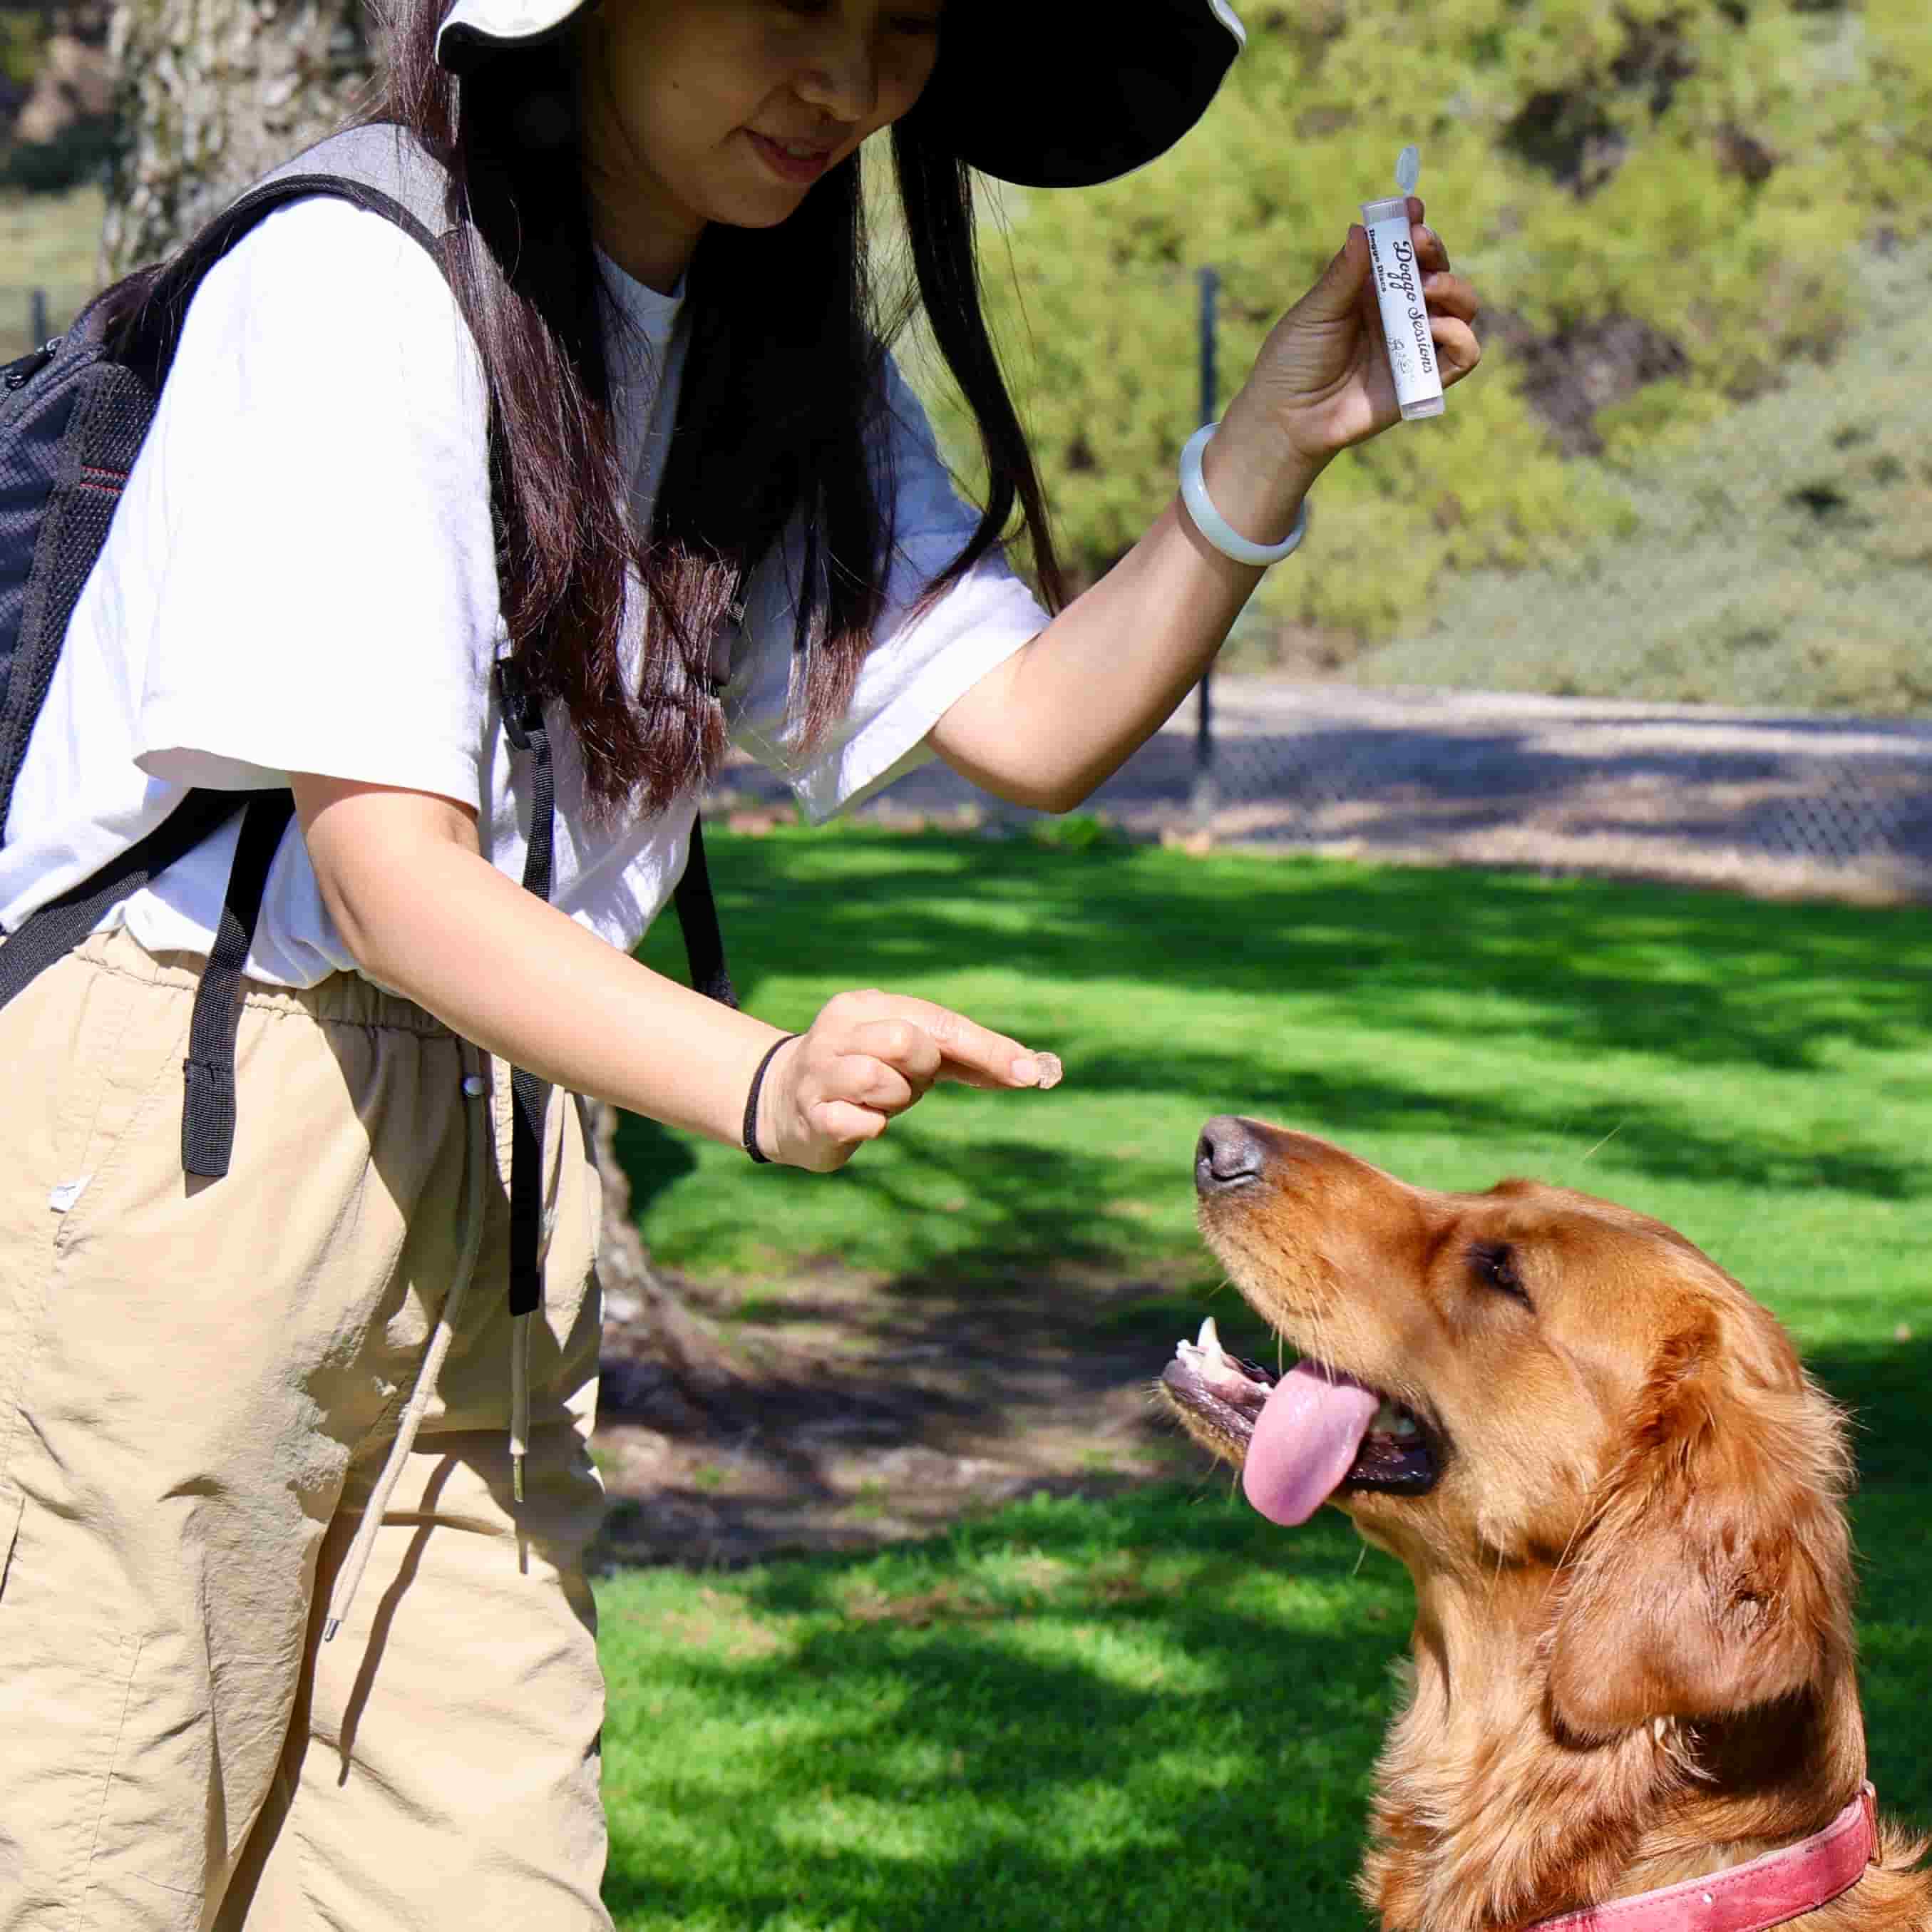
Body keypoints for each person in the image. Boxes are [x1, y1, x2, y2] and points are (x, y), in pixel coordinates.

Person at [0, 0, 1481, 1924]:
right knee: (96, 1846)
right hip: (191, 1142)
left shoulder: (766, 346)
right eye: (797, 5)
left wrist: (1271, 438)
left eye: (908, 25)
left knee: (480, 1874)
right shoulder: (355, 282)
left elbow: (1032, 722)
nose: (856, 84)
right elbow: (393, 881)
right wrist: (761, 1081)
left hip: (492, 1150)